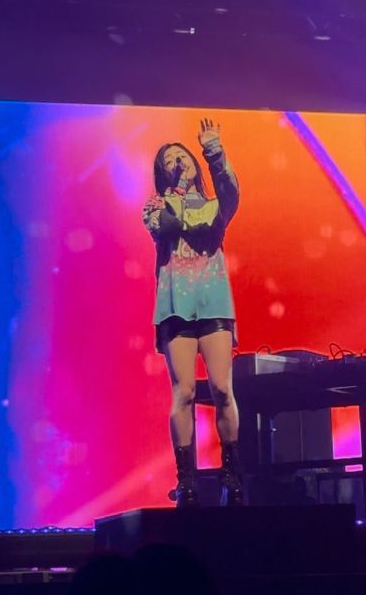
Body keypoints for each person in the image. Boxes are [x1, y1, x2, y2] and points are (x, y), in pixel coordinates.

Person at [142, 119, 242, 507]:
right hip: (175, 307)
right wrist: (179, 191)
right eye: (169, 160)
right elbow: (167, 226)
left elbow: (231, 192)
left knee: (221, 388)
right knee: (183, 391)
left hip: (213, 300)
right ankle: (186, 479)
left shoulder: (215, 206)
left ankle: (231, 471)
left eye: (181, 156)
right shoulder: (155, 206)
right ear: (162, 172)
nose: (177, 162)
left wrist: (214, 151)